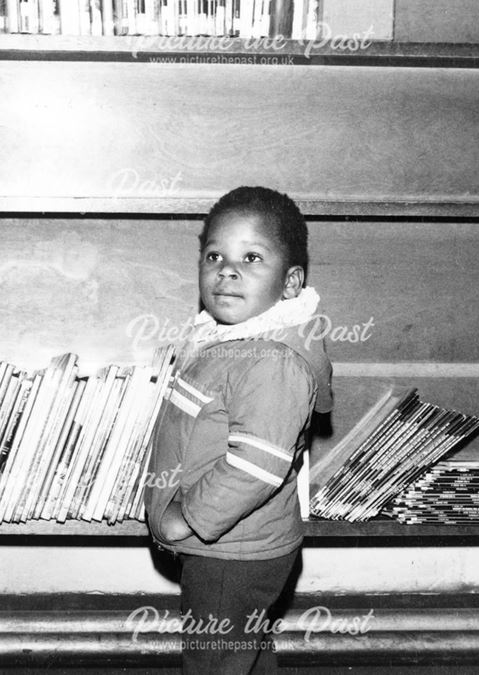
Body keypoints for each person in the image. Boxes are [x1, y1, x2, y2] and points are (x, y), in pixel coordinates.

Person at [145, 186, 333, 674]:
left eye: (251, 257)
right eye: (215, 256)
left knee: (213, 660)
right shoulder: (231, 340)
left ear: (291, 283)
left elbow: (255, 465)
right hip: (236, 543)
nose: (227, 270)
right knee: (241, 653)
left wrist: (186, 518)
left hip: (233, 549)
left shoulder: (270, 359)